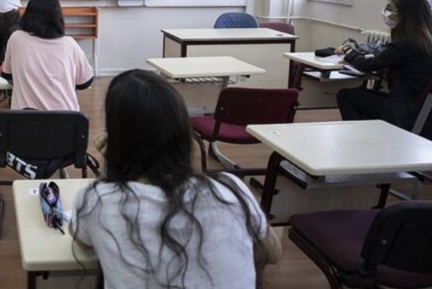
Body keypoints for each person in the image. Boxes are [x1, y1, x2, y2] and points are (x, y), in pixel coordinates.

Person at [70, 69, 281, 288]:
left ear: (117, 139)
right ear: (182, 133)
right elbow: (273, 252)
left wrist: (114, 164)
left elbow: (81, 238)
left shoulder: (98, 199)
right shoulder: (231, 189)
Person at [336, 0, 432, 139]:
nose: (385, 12)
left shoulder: (406, 44)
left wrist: (348, 51)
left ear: (404, 16)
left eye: (390, 9)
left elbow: (366, 65)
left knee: (346, 95)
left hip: (407, 113)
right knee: (363, 95)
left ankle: (360, 140)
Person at [1, 0, 94, 111]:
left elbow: (7, 75)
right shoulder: (69, 44)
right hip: (65, 122)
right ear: (57, 17)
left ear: (28, 14)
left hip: (24, 123)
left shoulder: (16, 38)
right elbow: (85, 82)